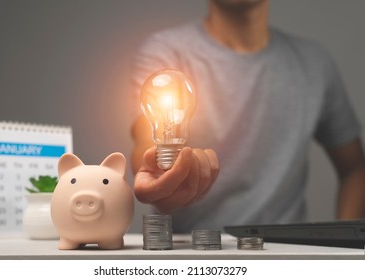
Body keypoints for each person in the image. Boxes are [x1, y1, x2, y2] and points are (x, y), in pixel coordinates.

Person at [130, 0, 365, 233]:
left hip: (287, 256)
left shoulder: (315, 63)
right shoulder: (167, 52)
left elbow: (354, 167)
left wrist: (346, 247)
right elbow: (146, 144)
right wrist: (158, 180)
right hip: (197, 260)